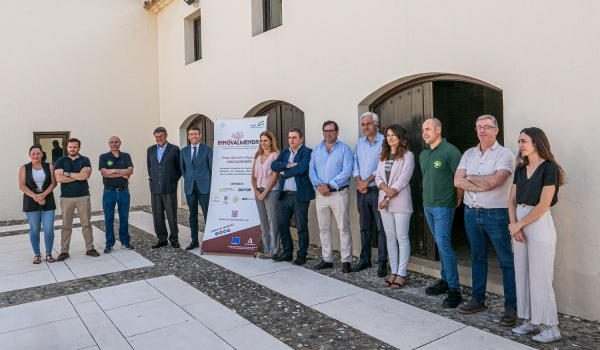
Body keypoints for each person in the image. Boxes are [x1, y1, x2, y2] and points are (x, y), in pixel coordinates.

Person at [454, 115, 517, 326]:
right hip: (471, 212)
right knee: (477, 257)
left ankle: (511, 307)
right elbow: (457, 181)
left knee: (506, 261)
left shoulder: (505, 154)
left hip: (497, 214)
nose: (482, 131)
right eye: (479, 127)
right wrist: (482, 182)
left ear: (496, 130)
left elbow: (495, 181)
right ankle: (478, 299)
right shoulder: (469, 153)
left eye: (487, 127)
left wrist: (469, 178)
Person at [508, 127, 565, 343]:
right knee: (522, 273)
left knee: (541, 276)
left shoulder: (549, 168)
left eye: (524, 141)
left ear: (537, 142)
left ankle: (552, 327)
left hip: (538, 222)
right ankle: (532, 321)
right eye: (519, 141)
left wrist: (519, 225)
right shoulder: (520, 168)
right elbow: (511, 200)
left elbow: (543, 205)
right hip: (519, 222)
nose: (520, 145)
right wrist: (514, 225)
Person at [420, 118, 464, 308]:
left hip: (444, 205)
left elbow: (460, 179)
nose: (424, 133)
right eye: (423, 130)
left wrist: (457, 199)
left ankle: (455, 289)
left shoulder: (451, 151)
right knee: (440, 243)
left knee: (444, 244)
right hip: (428, 205)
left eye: (428, 129)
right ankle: (445, 281)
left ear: (439, 129)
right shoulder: (423, 154)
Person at [309, 121, 354, 273]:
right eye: (325, 131)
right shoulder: (317, 150)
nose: (328, 133)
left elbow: (347, 171)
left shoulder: (344, 149)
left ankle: (346, 261)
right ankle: (327, 259)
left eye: (331, 131)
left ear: (337, 132)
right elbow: (312, 170)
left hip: (339, 194)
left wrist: (330, 185)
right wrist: (320, 187)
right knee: (324, 228)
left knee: (343, 228)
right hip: (321, 194)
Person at [376, 125, 414, 289]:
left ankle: (402, 273)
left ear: (400, 137)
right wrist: (385, 191)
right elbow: (378, 177)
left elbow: (404, 180)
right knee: (390, 238)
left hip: (399, 200)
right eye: (388, 135)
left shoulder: (408, 155)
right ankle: (393, 271)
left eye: (393, 135)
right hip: (384, 200)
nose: (390, 138)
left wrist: (387, 196)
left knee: (402, 237)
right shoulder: (383, 155)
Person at [271, 128, 314, 265]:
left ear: (301, 139)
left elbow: (302, 168)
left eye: (294, 137)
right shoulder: (284, 152)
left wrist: (285, 172)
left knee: (301, 227)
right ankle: (287, 253)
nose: (291, 140)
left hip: (299, 196)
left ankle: (302, 255)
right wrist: (288, 164)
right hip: (284, 195)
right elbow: (274, 166)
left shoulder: (307, 152)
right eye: (290, 137)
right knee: (282, 225)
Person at [352, 112, 388, 276]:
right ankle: (364, 260)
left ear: (376, 124)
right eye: (363, 125)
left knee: (381, 228)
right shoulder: (360, 143)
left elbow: (382, 165)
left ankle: (382, 263)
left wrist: (367, 182)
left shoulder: (384, 142)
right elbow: (355, 163)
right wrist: (360, 182)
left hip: (377, 190)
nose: (365, 127)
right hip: (362, 191)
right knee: (364, 227)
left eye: (368, 124)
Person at [54, 138, 99, 261]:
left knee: (86, 224)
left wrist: (67, 174)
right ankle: (64, 251)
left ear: (79, 148)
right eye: (70, 147)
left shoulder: (85, 160)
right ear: (67, 148)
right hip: (66, 198)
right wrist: (77, 175)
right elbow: (58, 179)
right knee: (66, 226)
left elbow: (86, 175)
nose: (72, 149)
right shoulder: (60, 160)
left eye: (74, 147)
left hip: (83, 196)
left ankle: (90, 248)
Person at [18, 145, 57, 264]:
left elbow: (53, 183)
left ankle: (49, 253)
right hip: (31, 201)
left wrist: (43, 195)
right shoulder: (24, 168)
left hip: (47, 200)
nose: (36, 156)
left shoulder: (49, 166)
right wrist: (36, 197)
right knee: (34, 229)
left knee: (48, 228)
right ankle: (37, 254)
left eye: (38, 153)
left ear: (42, 154)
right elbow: (22, 186)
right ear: (30, 155)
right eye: (33, 154)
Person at [147, 127, 182, 249]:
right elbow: (150, 167)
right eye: (156, 136)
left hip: (169, 186)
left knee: (171, 214)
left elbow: (179, 169)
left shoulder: (174, 149)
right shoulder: (150, 150)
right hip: (155, 186)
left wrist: (172, 180)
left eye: (161, 136)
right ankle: (162, 238)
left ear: (166, 135)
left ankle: (174, 238)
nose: (159, 139)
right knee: (157, 214)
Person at [99, 136, 134, 253]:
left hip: (124, 191)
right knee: (109, 219)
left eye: (116, 142)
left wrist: (113, 171)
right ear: (108, 144)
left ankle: (125, 241)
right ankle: (109, 243)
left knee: (124, 217)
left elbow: (130, 171)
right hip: (109, 192)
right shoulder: (103, 157)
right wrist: (122, 173)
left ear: (120, 143)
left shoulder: (126, 156)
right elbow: (105, 174)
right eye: (112, 142)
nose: (114, 144)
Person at [180, 126, 213, 250]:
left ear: (200, 135)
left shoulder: (207, 150)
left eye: (195, 134)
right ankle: (194, 241)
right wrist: (190, 178)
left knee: (206, 213)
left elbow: (211, 167)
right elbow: (183, 169)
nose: (193, 136)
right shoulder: (183, 151)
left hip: (204, 186)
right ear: (188, 137)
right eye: (191, 134)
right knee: (192, 214)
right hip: (190, 186)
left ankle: (210, 240)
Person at [252, 131, 280, 259]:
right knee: (263, 222)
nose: (263, 143)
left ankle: (274, 251)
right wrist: (256, 191)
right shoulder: (257, 156)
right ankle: (267, 249)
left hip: (271, 192)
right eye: (261, 140)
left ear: (271, 141)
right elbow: (253, 176)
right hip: (259, 192)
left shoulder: (275, 155)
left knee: (272, 221)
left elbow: (275, 177)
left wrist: (264, 192)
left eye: (266, 141)